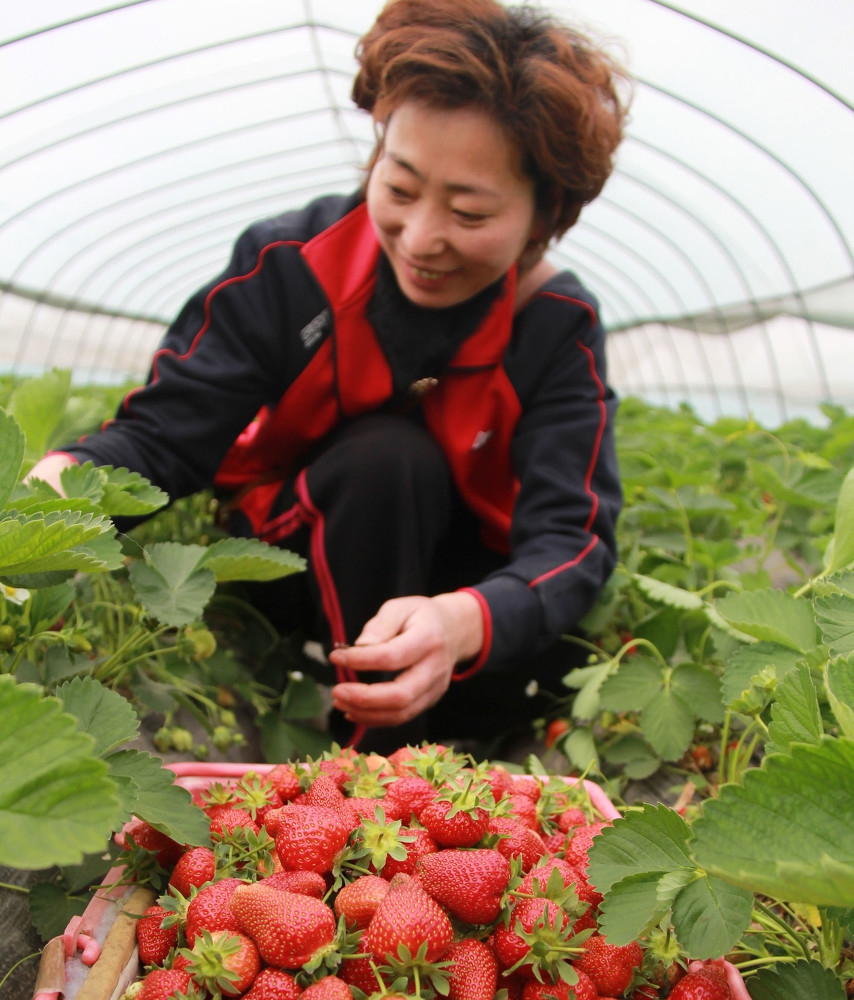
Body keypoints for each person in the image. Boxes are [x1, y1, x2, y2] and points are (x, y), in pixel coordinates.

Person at [31, 0, 628, 754]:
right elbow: (163, 439)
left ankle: (447, 739)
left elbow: (572, 540)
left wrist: (465, 619)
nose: (421, 239)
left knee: (546, 642)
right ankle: (375, 765)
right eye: (401, 188)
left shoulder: (553, 325)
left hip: (451, 590)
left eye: (470, 213)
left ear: (547, 215)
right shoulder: (290, 267)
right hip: (288, 554)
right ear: (377, 149)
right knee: (388, 459)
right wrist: (44, 504)